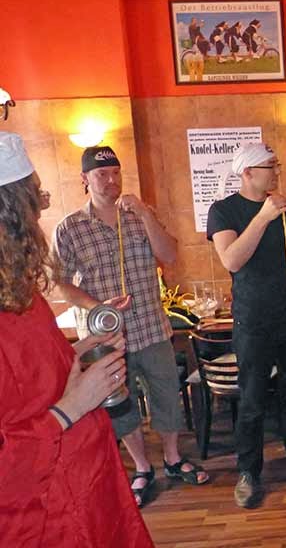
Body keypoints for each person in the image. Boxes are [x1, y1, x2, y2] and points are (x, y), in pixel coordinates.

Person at [0, 131, 153, 547]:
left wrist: (79, 352)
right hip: (45, 514)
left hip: (87, 478)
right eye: (34, 205)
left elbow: (32, 373)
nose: (39, 219)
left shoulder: (18, 292)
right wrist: (71, 409)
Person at [51, 145, 208, 508]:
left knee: (166, 394)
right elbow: (60, 283)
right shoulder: (70, 228)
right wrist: (96, 306)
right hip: (105, 338)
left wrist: (145, 214)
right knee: (119, 403)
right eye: (102, 174)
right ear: (85, 179)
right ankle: (142, 467)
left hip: (152, 327)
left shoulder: (139, 214)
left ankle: (172, 458)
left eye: (116, 173)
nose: (111, 181)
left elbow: (169, 254)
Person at [207, 142, 286, 509]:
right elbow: (232, 260)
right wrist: (262, 217)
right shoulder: (223, 211)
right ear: (247, 173)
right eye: (269, 167)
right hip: (252, 320)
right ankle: (248, 472)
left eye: (276, 166)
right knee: (253, 399)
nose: (276, 172)